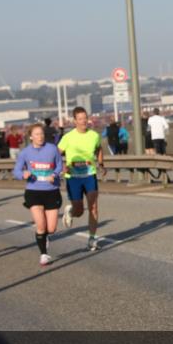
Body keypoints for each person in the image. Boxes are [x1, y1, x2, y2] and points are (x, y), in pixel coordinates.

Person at [14, 122, 64, 266]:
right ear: (31, 137)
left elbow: (59, 166)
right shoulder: (25, 152)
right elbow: (16, 171)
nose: (40, 136)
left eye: (42, 133)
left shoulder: (53, 149)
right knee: (41, 226)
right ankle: (43, 254)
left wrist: (55, 174)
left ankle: (45, 237)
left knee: (51, 228)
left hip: (51, 191)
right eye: (37, 134)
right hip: (33, 191)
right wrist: (23, 174)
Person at [58, 106, 105, 251]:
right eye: (80, 119)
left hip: (89, 175)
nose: (84, 121)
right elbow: (56, 154)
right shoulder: (68, 137)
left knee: (93, 207)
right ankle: (71, 211)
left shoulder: (94, 135)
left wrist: (101, 164)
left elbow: (99, 149)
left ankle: (92, 239)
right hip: (73, 177)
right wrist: (61, 167)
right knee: (80, 211)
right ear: (75, 121)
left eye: (85, 118)